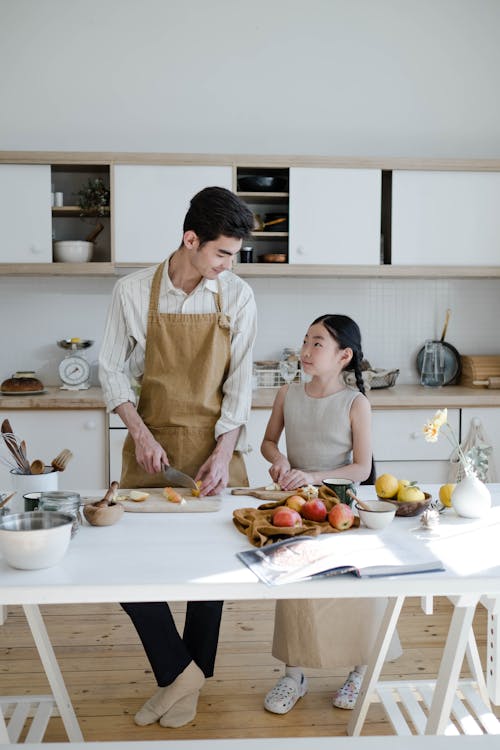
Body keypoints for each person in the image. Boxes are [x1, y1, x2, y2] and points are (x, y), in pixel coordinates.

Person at [99, 186, 257, 728]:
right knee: (126, 569)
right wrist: (140, 433)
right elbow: (112, 370)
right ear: (191, 239)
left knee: (209, 574)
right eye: (222, 253)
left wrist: (224, 450)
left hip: (216, 448)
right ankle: (178, 671)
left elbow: (241, 383)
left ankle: (185, 687)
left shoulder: (236, 296)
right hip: (151, 447)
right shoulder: (132, 291)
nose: (228, 265)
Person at [261, 314, 401, 715]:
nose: (305, 350)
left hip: (342, 505)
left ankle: (360, 671)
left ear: (344, 355)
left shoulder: (356, 403)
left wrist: (315, 475)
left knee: (354, 590)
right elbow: (268, 442)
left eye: (317, 343)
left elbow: (361, 468)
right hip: (296, 506)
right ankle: (293, 675)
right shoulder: (288, 393)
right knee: (295, 590)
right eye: (305, 340)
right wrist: (279, 461)